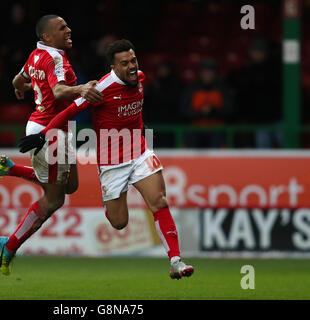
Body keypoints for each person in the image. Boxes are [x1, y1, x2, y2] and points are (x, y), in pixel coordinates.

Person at [18, 39, 194, 279]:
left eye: (134, 60)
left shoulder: (141, 78)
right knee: (119, 222)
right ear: (113, 67)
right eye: (125, 63)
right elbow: (68, 112)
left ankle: (176, 261)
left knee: (159, 201)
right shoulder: (100, 88)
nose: (132, 67)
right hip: (112, 162)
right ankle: (109, 204)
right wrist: (42, 136)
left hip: (140, 152)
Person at [0, 14, 103, 275]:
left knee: (71, 185)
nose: (68, 30)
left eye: (67, 25)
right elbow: (58, 92)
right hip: (48, 132)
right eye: (62, 28)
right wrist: (81, 89)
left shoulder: (37, 54)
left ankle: (9, 168)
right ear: (47, 36)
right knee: (53, 200)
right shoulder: (54, 58)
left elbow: (17, 80)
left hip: (56, 128)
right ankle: (8, 246)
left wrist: (22, 88)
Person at [179, 58, 234, 148]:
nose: (207, 75)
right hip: (196, 127)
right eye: (205, 72)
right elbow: (184, 111)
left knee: (218, 139)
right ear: (201, 73)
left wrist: (213, 111)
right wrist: (200, 112)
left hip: (217, 128)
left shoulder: (223, 88)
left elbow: (230, 110)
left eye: (210, 72)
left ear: (215, 74)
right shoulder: (192, 88)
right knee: (189, 137)